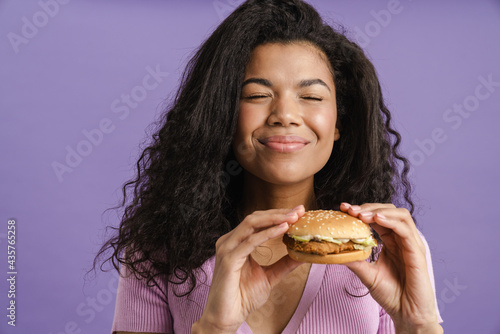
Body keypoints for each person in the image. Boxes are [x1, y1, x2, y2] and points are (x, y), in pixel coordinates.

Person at [96, 0, 444, 333]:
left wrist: (417, 325)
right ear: (224, 117)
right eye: (257, 96)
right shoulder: (157, 251)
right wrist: (215, 328)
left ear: (340, 122)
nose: (285, 116)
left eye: (311, 97)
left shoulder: (387, 249)